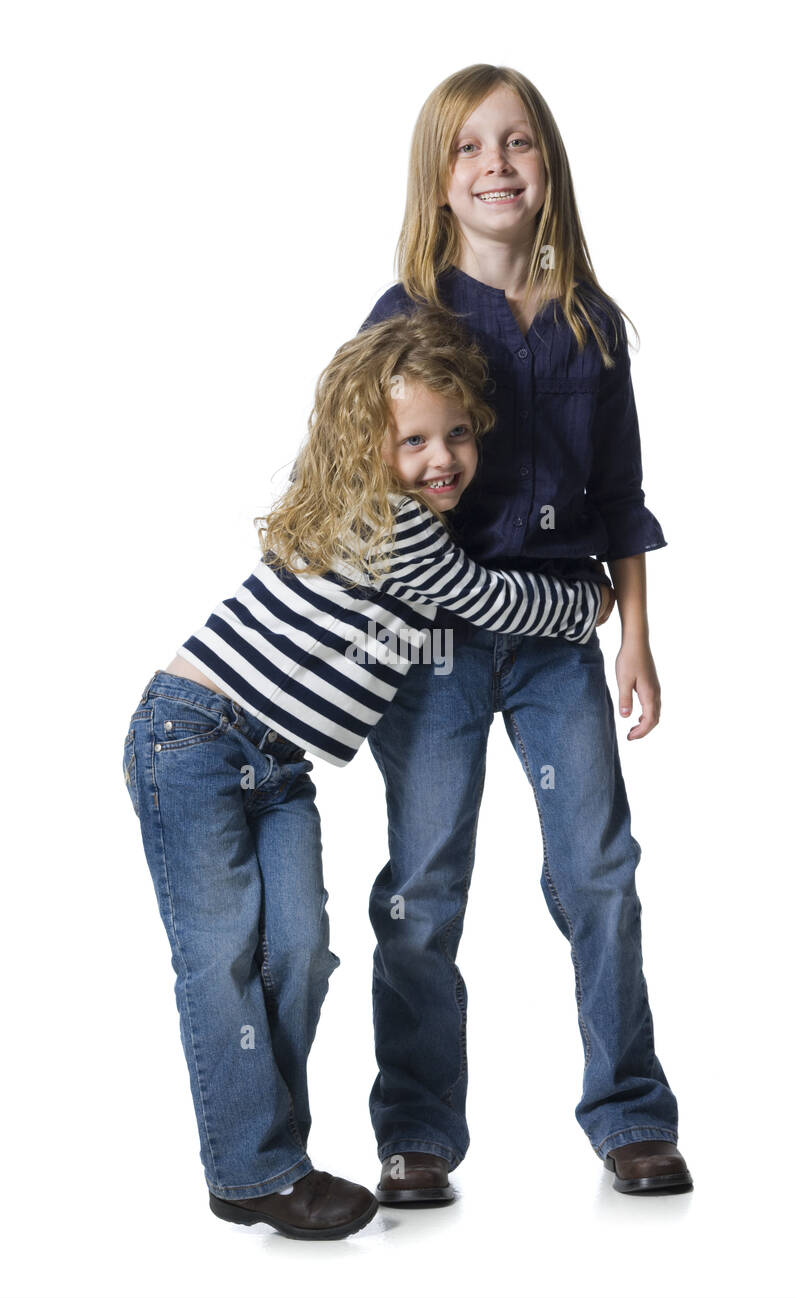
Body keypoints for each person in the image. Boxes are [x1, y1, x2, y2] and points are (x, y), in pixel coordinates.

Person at [121, 307, 613, 1239]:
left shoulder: (396, 514)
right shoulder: (391, 525)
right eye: (415, 439)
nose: (443, 459)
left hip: (276, 763)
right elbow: (493, 600)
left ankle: (259, 1160)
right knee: (220, 956)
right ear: (368, 443)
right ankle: (260, 1168)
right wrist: (591, 596)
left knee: (300, 954)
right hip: (193, 741)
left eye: (459, 434)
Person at [359, 64, 692, 1202]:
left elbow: (620, 498)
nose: (494, 164)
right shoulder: (402, 320)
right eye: (468, 149)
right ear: (438, 182)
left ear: (546, 166)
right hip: (432, 648)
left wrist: (634, 637)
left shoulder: (592, 328)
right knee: (424, 882)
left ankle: (630, 1115)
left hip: (557, 644)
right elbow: (368, 491)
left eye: (516, 144)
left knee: (598, 871)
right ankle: (414, 1132)